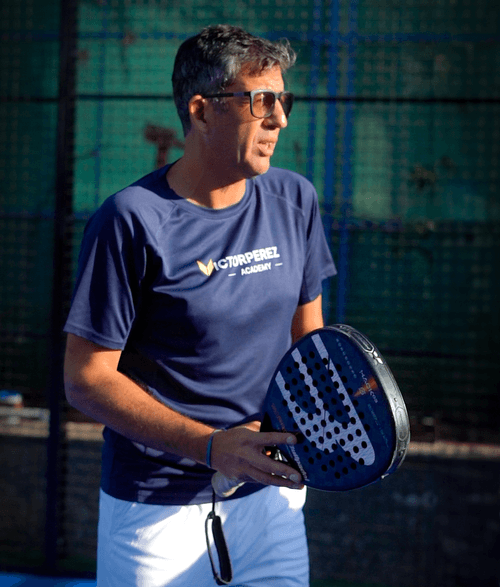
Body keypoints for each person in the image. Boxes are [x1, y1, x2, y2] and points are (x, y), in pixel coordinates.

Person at [63, 24, 336, 587]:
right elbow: (86, 379)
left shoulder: (295, 199)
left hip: (273, 501)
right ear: (202, 110)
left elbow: (307, 342)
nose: (279, 120)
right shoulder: (130, 220)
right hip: (155, 513)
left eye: (283, 101)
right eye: (261, 101)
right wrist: (211, 447)